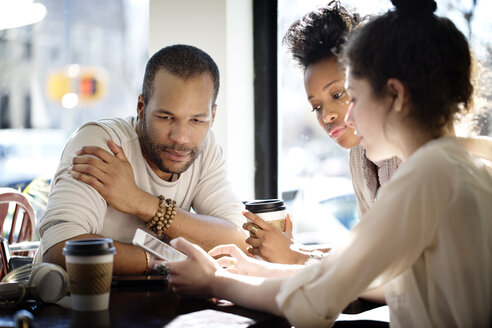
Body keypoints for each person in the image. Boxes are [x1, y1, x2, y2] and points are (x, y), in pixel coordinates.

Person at [165, 1, 492, 326]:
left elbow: (314, 300)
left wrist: (213, 282)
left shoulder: (425, 176)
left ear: (395, 95)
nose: (345, 116)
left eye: (354, 96)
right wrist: (258, 269)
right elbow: (350, 274)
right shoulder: (463, 167)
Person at [35, 44, 248, 275]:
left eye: (197, 120)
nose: (181, 137)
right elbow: (60, 251)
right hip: (73, 306)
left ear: (212, 116)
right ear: (141, 107)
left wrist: (141, 202)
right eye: (166, 117)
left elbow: (237, 241)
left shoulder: (204, 148)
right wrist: (160, 261)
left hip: (160, 306)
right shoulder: (102, 143)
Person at [243, 1, 399, 265]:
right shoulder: (360, 156)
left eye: (338, 94)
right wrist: (294, 250)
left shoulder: (412, 155)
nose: (326, 116)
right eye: (316, 106)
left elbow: (396, 270)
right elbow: (365, 251)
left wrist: (297, 258)